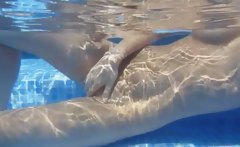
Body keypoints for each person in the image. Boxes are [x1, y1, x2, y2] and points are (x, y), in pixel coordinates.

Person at [0, 28, 240, 147]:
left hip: (129, 105)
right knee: (5, 24)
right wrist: (114, 57)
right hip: (117, 61)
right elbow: (153, 27)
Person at [0, 28, 171, 111]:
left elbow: (157, 26)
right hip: (99, 60)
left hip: (95, 62)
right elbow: (157, 27)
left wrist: (113, 57)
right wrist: (113, 57)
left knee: (5, 33)